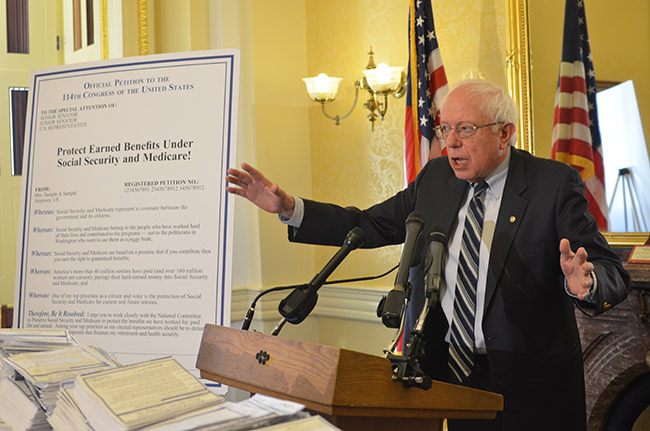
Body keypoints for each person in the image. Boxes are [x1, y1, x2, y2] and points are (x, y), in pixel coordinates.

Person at [225, 80, 629, 431]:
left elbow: (611, 271)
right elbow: (367, 224)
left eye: (465, 129)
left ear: (505, 133)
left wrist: (588, 282)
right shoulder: (437, 178)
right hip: (447, 375)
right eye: (445, 128)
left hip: (530, 385)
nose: (450, 141)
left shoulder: (553, 184)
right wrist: (290, 208)